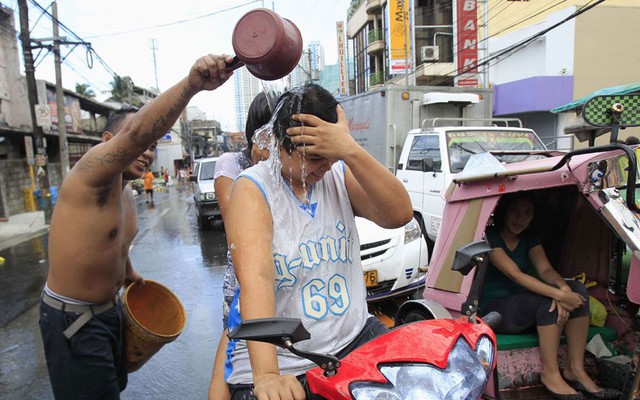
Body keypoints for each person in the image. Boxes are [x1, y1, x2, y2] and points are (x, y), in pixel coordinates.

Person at [39, 54, 235, 399]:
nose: (146, 152)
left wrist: (127, 272)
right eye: (140, 145)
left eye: (152, 147)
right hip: (73, 321)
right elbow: (137, 131)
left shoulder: (126, 192)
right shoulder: (89, 176)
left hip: (109, 312)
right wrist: (191, 86)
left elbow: (112, 243)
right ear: (108, 141)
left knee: (113, 389)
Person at [223, 83, 413, 399]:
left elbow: (398, 214)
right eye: (312, 159)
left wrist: (349, 149)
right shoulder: (253, 188)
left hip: (353, 337)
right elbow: (256, 281)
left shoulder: (337, 171)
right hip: (284, 356)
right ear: (280, 146)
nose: (323, 167)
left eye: (330, 155)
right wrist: (268, 376)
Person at [480, 192, 621, 400]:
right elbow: (515, 274)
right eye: (514, 211)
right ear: (503, 211)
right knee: (549, 302)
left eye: (527, 213)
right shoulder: (490, 237)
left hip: (524, 306)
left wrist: (564, 290)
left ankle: (575, 369)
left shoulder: (529, 239)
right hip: (495, 310)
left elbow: (546, 270)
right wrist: (559, 295)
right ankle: (551, 374)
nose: (520, 218)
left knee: (577, 291)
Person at [208, 91, 275, 400]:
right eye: (266, 134)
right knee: (235, 356)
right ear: (252, 134)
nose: (272, 145)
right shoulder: (232, 165)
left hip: (288, 280)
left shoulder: (288, 164)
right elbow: (236, 225)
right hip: (243, 283)